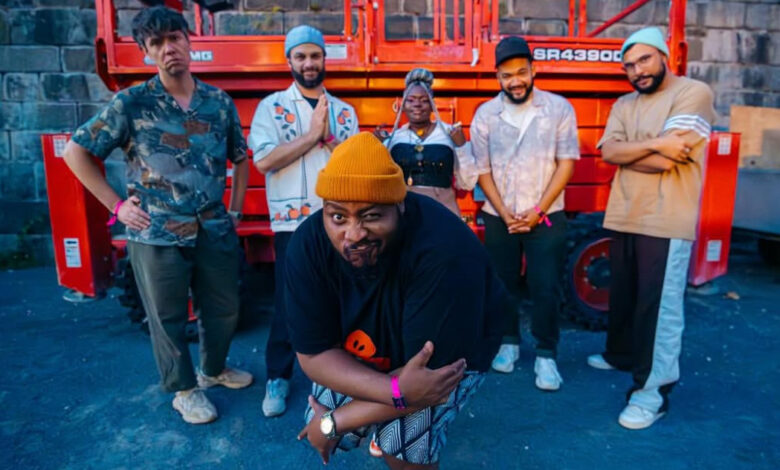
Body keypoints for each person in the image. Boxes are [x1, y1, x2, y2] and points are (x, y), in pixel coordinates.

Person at [63, 7, 252, 424]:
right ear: (146, 52)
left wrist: (236, 210)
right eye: (157, 43)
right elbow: (75, 152)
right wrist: (117, 206)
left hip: (213, 227)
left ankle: (213, 370)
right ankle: (184, 391)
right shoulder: (132, 103)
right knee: (167, 318)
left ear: (188, 40)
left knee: (223, 307)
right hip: (157, 232)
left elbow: (240, 158)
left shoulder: (217, 102)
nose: (169, 48)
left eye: (175, 38)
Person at [289, 132, 506, 469]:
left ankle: (387, 433)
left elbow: (429, 385)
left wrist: (333, 423)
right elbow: (313, 354)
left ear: (400, 205)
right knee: (324, 409)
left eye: (371, 216)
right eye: (338, 217)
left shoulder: (444, 251)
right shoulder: (309, 243)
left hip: (453, 351)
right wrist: (393, 391)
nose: (353, 234)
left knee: (401, 443)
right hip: (380, 344)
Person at [589, 27, 716, 430]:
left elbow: (669, 159)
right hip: (625, 213)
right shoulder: (625, 103)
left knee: (658, 309)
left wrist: (633, 152)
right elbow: (608, 152)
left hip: (666, 216)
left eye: (644, 60)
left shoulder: (693, 93)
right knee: (626, 297)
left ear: (664, 56)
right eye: (629, 65)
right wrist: (657, 143)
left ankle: (652, 394)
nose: (637, 71)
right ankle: (622, 355)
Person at [248, 25, 359, 418]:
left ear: (324, 59)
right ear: (289, 61)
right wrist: (312, 135)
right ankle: (278, 376)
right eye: (301, 56)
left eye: (315, 55)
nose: (309, 63)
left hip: (337, 222)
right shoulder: (272, 107)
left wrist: (328, 139)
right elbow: (264, 160)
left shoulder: (344, 111)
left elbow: (354, 165)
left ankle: (337, 381)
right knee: (287, 300)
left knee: (339, 299)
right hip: (292, 223)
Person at [470, 36, 580, 391]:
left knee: (545, 286)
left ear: (534, 70)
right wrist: (504, 212)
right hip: (498, 214)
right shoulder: (486, 114)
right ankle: (508, 343)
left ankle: (547, 355)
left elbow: (566, 163)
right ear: (498, 78)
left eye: (521, 72)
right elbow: (481, 169)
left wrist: (537, 210)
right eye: (507, 76)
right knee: (502, 283)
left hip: (546, 215)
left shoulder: (559, 108)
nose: (515, 81)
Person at [376, 68, 477, 215]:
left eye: (424, 100)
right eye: (411, 100)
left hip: (442, 212)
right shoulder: (394, 139)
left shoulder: (449, 135)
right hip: (404, 214)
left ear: (432, 105)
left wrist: (462, 146)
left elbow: (468, 183)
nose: (417, 105)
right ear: (403, 105)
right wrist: (376, 148)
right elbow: (379, 183)